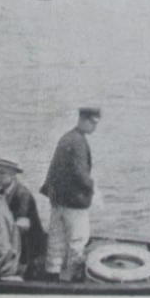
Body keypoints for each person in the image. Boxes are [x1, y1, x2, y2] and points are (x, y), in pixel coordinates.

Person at [41, 106, 100, 281]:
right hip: (75, 203)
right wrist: (92, 187)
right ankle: (74, 280)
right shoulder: (79, 142)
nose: (94, 127)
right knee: (77, 242)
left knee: (55, 242)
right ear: (84, 120)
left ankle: (51, 278)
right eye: (93, 123)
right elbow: (80, 174)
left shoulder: (66, 138)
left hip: (58, 202)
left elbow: (53, 171)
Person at [0, 157, 45, 276]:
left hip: (28, 244)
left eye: (2, 173)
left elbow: (22, 226)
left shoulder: (23, 194)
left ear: (12, 175)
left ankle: (19, 268)